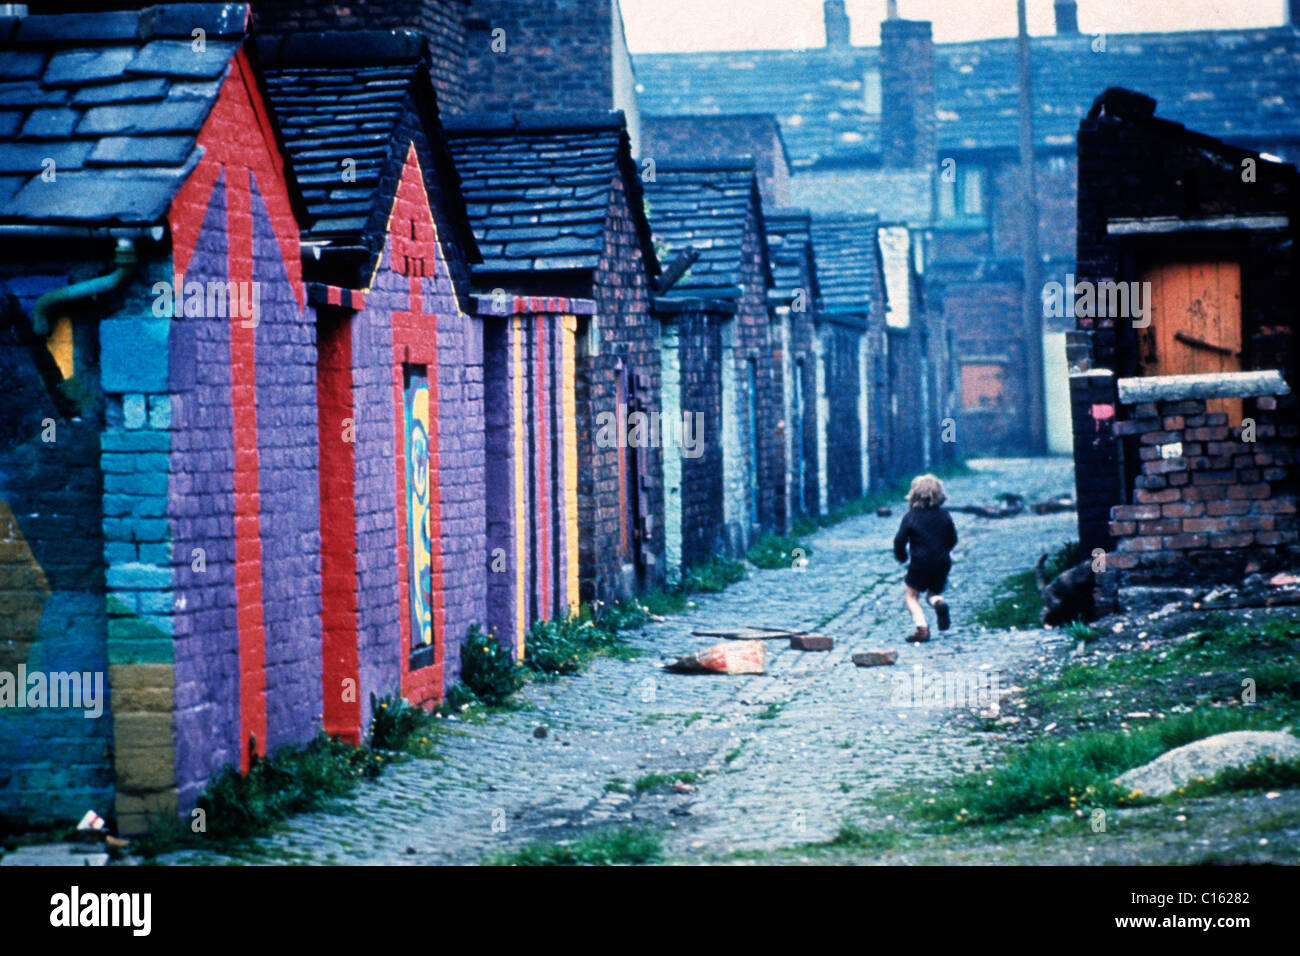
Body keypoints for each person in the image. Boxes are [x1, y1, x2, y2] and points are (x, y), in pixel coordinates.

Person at [893, 474, 958, 643]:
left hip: (920, 563)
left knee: (911, 595)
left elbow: (900, 540)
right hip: (942, 562)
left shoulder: (911, 516)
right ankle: (938, 603)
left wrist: (901, 556)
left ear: (913, 494)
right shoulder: (944, 515)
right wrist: (944, 551)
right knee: (933, 592)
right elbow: (953, 539)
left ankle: (922, 629)